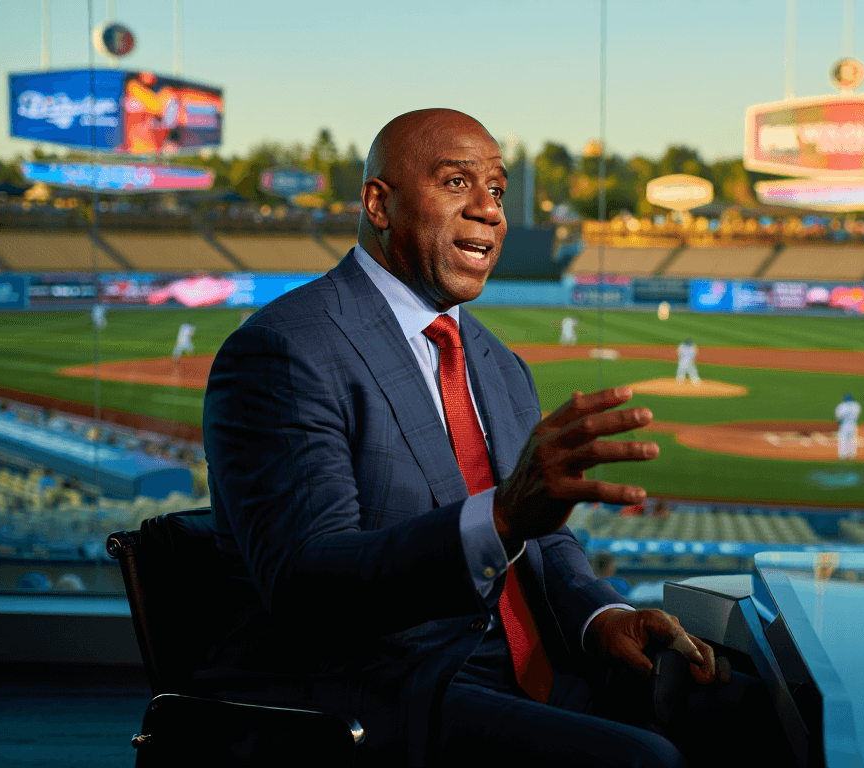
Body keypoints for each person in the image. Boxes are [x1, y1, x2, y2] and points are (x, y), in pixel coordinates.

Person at [201, 109, 775, 768]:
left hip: (540, 670)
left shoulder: (499, 365)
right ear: (378, 204)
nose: (490, 211)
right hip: (382, 693)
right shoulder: (286, 349)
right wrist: (500, 516)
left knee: (766, 713)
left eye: (497, 190)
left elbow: (545, 540)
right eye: (456, 183)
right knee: (644, 761)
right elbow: (308, 586)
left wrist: (600, 618)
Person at [834, 393, 861, 461]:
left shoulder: (841, 406)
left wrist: (838, 422)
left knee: (843, 440)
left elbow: (838, 417)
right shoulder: (856, 405)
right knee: (852, 440)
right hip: (853, 424)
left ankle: (843, 456)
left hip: (844, 425)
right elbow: (857, 415)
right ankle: (852, 456)